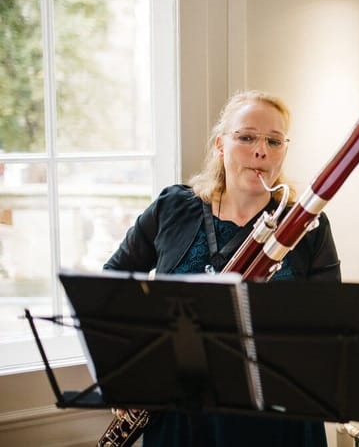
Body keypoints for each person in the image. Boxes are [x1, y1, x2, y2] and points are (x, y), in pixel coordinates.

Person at [104, 90, 341, 447]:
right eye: (246, 137)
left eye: (273, 141)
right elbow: (111, 284)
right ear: (220, 145)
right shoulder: (172, 208)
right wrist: (127, 366)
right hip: (182, 417)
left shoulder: (306, 227)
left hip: (277, 419)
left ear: (283, 151)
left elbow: (330, 324)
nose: (261, 151)